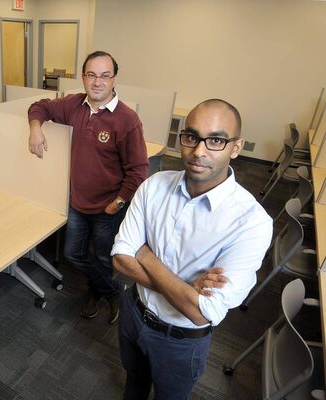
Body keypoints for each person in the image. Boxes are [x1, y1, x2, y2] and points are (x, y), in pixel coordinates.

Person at [111, 99, 273, 399]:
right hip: (133, 311)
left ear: (236, 148)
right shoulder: (154, 185)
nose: (199, 151)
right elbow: (120, 260)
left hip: (180, 340)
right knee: (133, 383)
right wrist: (185, 290)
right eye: (192, 137)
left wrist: (144, 254)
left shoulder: (252, 223)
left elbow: (201, 313)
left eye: (216, 141)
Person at [28, 51, 149, 323]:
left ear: (114, 79)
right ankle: (112, 291)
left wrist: (119, 202)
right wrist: (35, 128)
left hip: (108, 206)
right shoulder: (73, 105)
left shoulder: (127, 119)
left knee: (105, 258)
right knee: (73, 254)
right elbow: (40, 107)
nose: (97, 82)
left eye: (105, 75)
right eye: (91, 75)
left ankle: (97, 292)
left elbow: (139, 169)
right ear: (83, 77)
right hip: (77, 202)